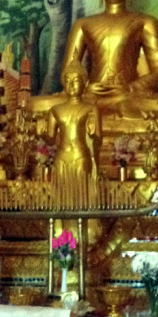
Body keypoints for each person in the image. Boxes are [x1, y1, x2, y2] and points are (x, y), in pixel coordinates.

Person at [45, 59, 101, 207]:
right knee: (61, 200)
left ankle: (82, 229)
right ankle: (62, 231)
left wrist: (93, 134)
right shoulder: (55, 110)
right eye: (67, 81)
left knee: (81, 198)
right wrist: (40, 133)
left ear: (85, 83)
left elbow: (98, 139)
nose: (71, 85)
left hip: (80, 155)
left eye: (76, 81)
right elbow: (50, 139)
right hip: (62, 156)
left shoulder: (91, 109)